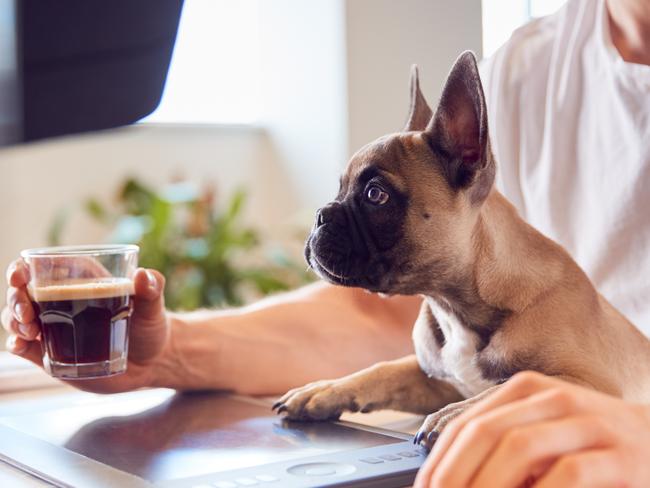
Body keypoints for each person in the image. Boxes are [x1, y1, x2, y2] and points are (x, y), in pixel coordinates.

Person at [3, 0, 650, 485]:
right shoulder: (529, 68)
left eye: (375, 199)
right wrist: (167, 354)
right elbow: (376, 317)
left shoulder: (549, 307)